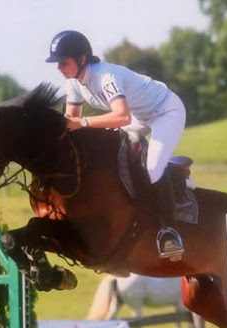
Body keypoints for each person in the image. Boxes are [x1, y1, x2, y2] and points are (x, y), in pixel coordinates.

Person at [46, 30, 186, 261]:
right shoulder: (73, 83)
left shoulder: (105, 76)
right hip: (140, 115)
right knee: (118, 149)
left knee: (152, 167)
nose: (59, 68)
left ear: (81, 60)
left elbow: (122, 117)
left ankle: (170, 233)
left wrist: (81, 122)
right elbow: (71, 123)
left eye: (63, 62)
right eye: (57, 63)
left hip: (165, 111)